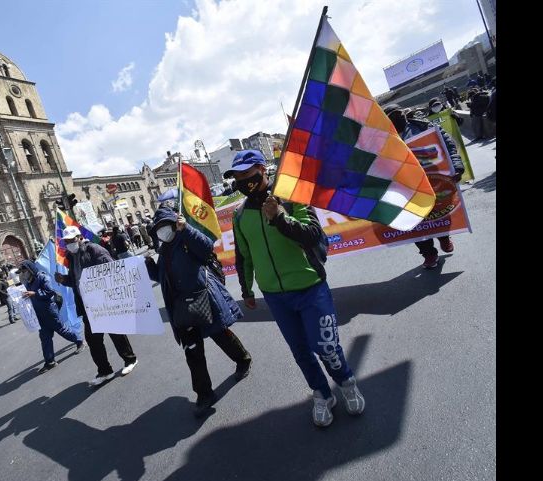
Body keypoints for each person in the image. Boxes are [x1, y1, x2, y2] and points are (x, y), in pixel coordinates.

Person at [227, 149, 364, 427]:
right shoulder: (239, 215)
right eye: (237, 176)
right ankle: (322, 394)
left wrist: (279, 218)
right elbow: (244, 255)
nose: (242, 180)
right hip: (275, 297)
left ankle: (346, 382)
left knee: (326, 346)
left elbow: (313, 234)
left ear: (262, 170)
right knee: (301, 352)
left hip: (310, 288)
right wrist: (247, 290)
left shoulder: (291, 197)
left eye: (247, 173)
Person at [145, 207, 252, 417]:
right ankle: (204, 395)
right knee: (192, 352)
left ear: (174, 224)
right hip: (182, 309)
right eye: (158, 229)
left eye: (165, 226)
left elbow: (206, 248)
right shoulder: (164, 251)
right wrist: (150, 267)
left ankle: (243, 359)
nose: (162, 231)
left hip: (203, 298)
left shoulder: (186, 238)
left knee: (220, 334)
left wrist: (186, 231)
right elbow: (162, 279)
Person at [384, 104, 465, 268]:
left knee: (438, 213)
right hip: (405, 189)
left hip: (433, 183)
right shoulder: (383, 140)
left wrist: (456, 166)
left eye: (398, 114)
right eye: (392, 116)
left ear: (404, 114)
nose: (397, 117)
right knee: (414, 222)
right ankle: (428, 254)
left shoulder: (424, 127)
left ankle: (444, 237)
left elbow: (448, 145)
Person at [55, 226, 138, 386]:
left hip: (103, 300)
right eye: (67, 242)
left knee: (115, 332)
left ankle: (130, 360)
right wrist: (63, 280)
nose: (70, 244)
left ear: (79, 238)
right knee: (93, 340)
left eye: (72, 240)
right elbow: (75, 280)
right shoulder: (71, 257)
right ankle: (105, 371)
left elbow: (111, 268)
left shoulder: (93, 250)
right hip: (87, 305)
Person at [18, 260, 87, 373]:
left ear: (29, 269)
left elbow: (49, 291)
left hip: (49, 310)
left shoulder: (42, 277)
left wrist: (35, 294)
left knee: (61, 329)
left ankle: (80, 341)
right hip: (39, 313)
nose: (22, 273)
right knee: (45, 337)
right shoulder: (28, 282)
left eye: (24, 270)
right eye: (21, 271)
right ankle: (50, 361)